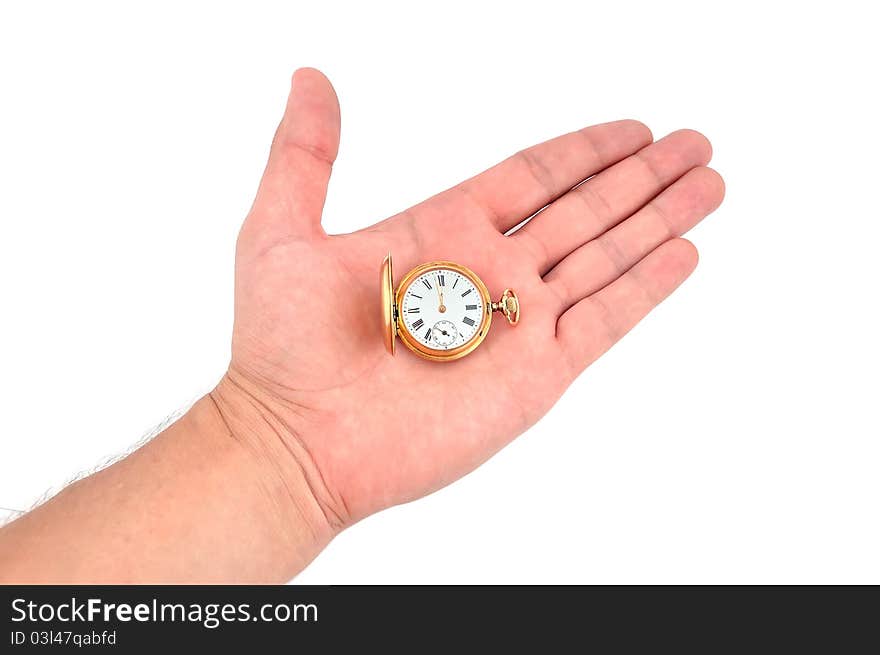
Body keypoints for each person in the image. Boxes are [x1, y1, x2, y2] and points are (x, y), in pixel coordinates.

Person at [0, 68, 724, 583]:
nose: (442, 311)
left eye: (448, 311)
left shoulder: (458, 313)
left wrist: (271, 455)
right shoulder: (430, 310)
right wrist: (272, 442)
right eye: (436, 307)